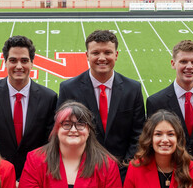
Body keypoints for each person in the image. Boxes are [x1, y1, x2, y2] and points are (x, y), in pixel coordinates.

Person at [0, 35, 58, 179]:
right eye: (13, 60)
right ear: (5, 62)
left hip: (36, 176)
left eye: (24, 61)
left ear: (32, 63)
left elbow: (50, 143)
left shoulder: (49, 98)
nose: (19, 66)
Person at [58, 29, 145, 163]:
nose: (102, 58)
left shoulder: (133, 89)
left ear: (116, 55)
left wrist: (126, 164)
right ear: (87, 55)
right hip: (82, 169)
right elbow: (63, 131)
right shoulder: (69, 89)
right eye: (96, 53)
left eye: (107, 52)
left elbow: (138, 133)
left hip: (121, 169)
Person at [145, 40, 193, 167]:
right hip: (171, 174)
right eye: (183, 61)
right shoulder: (156, 102)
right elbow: (153, 143)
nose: (189, 66)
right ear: (173, 63)